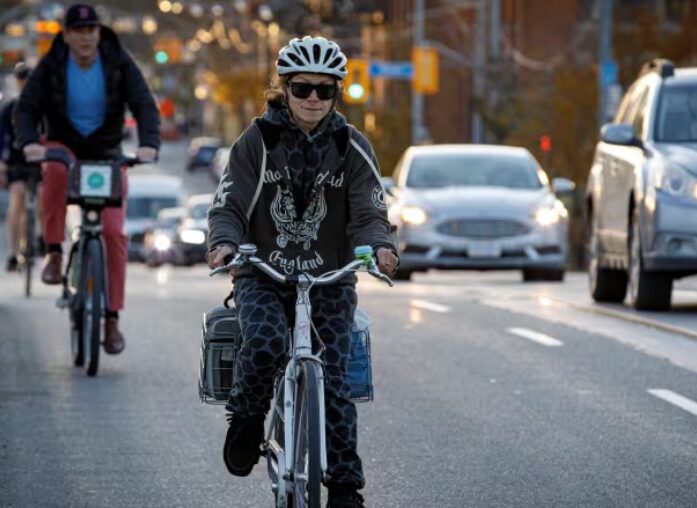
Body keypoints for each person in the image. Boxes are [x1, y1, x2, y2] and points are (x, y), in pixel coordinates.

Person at [207, 36, 399, 508]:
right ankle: (248, 417)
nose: (313, 98)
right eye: (302, 88)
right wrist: (225, 244)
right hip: (262, 272)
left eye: (324, 90)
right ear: (284, 89)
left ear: (337, 93)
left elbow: (372, 210)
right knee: (267, 340)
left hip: (330, 278)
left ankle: (347, 486)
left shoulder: (352, 146)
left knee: (334, 379)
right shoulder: (256, 142)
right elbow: (229, 204)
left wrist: (381, 247)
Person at [14, 3, 160, 354]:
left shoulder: (118, 61)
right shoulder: (51, 64)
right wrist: (32, 144)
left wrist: (148, 146)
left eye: (91, 30)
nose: (85, 37)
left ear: (98, 33)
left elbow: (144, 104)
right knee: (56, 172)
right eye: (78, 31)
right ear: (66, 35)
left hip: (106, 149)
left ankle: (111, 321)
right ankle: (52, 252)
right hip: (63, 144)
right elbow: (27, 108)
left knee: (113, 232)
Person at [0, 62, 33, 271]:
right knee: (17, 201)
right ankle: (13, 253)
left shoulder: (42, 107)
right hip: (15, 161)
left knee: (41, 200)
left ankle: (37, 241)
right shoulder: (9, 108)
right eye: (22, 80)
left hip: (39, 162)